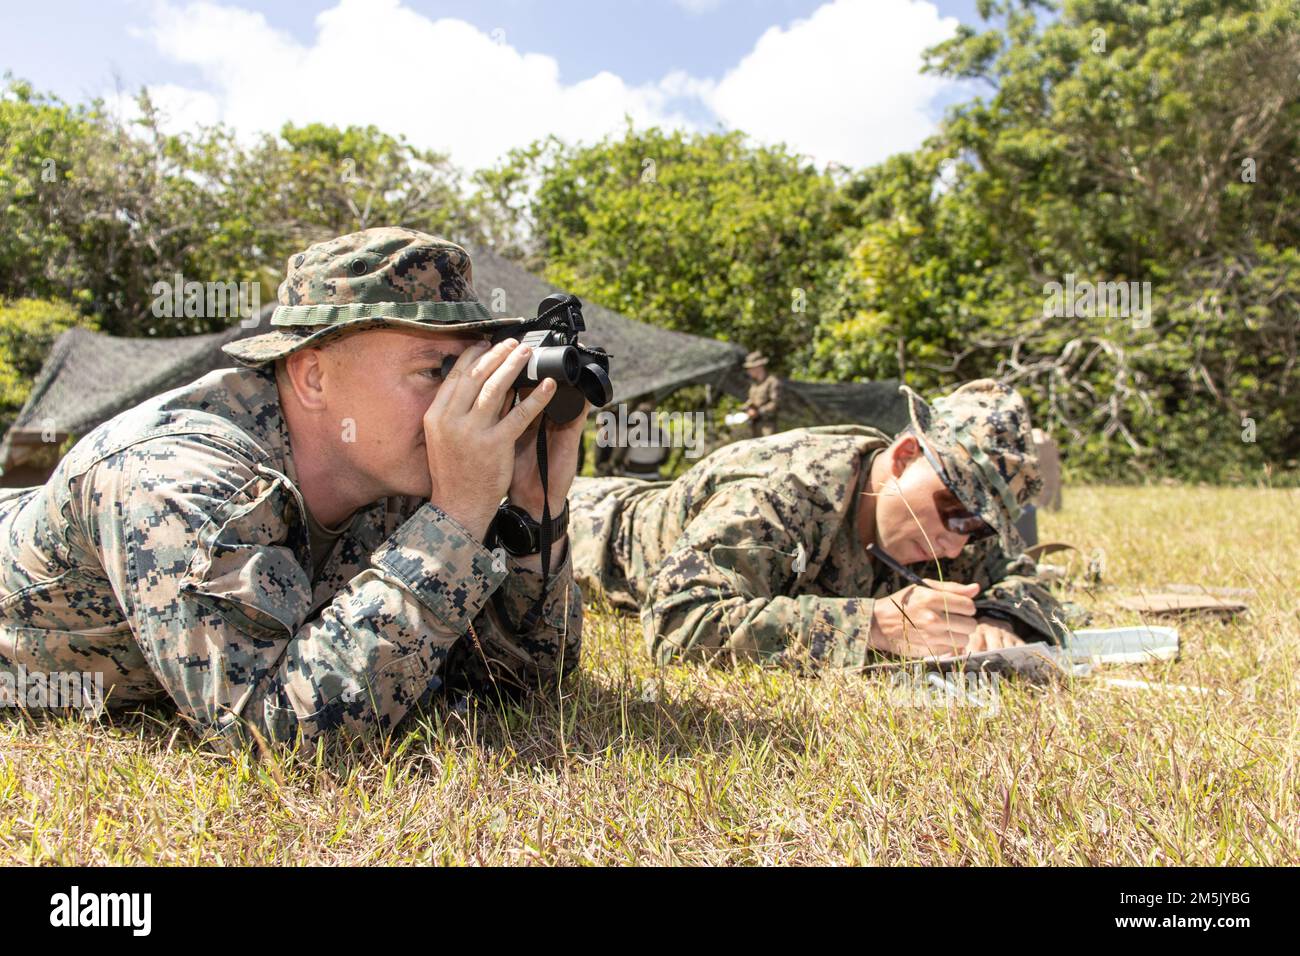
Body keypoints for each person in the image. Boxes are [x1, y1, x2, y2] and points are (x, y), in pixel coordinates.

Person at [0, 227, 585, 751]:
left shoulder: (391, 474)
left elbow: (514, 683)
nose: (463, 399)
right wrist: (455, 519)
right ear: (313, 376)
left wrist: (539, 513)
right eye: (436, 371)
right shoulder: (176, 478)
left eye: (472, 371)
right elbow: (268, 733)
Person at [568, 379, 1068, 668]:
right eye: (956, 512)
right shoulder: (784, 491)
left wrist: (1001, 620)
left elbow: (1024, 576)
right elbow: (679, 624)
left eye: (977, 529)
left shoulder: (944, 522)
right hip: (591, 529)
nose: (957, 546)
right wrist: (872, 626)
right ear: (904, 456)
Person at [741, 351, 783, 438]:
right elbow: (752, 401)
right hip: (755, 426)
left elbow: (775, 403)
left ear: (758, 367)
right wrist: (746, 408)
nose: (748, 371)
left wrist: (758, 412)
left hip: (768, 426)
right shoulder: (754, 385)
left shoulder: (772, 382)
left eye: (750, 368)